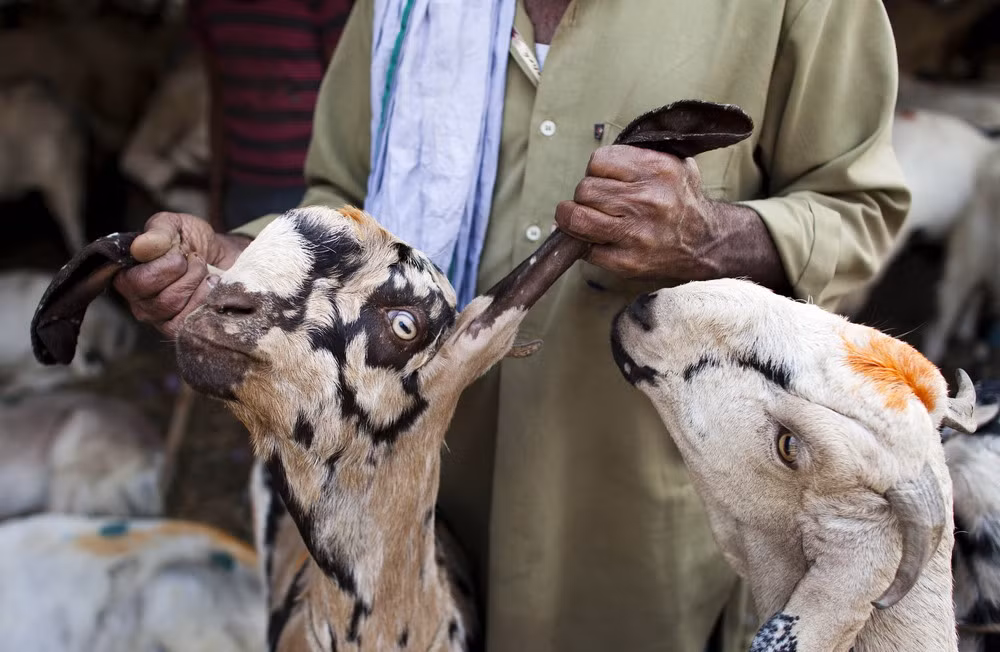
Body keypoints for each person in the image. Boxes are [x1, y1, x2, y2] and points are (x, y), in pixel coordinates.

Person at [113, 1, 910, 650]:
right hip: (410, 507)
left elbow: (859, 213)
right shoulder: (404, 8)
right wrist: (235, 266)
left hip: (646, 521)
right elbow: (342, 202)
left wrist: (707, 236)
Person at [188, 0, 354, 229]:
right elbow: (219, 95)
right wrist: (216, 195)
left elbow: (344, 86)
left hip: (312, 187)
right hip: (241, 187)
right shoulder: (208, 6)